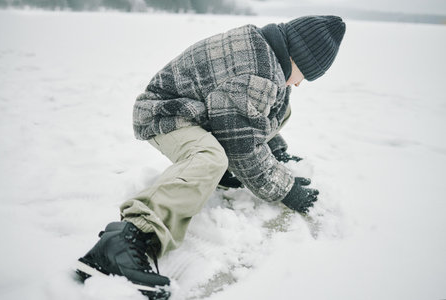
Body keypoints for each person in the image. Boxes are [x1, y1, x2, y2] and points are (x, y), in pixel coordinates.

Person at [76, 15, 346, 299]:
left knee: (281, 104)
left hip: (198, 111)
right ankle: (125, 241)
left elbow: (251, 113)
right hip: (164, 113)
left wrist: (276, 152)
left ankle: (225, 173)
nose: (302, 83)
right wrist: (285, 189)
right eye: (306, 75)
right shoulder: (256, 73)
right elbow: (242, 145)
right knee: (209, 158)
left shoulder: (265, 53)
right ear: (299, 58)